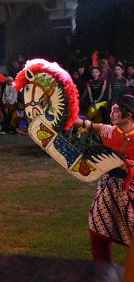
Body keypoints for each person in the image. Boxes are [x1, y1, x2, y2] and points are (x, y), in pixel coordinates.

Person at [72, 95, 134, 262]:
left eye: (116, 111)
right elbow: (90, 126)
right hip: (109, 188)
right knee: (97, 228)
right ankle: (102, 270)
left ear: (128, 115)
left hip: (131, 188)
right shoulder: (109, 131)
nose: (111, 114)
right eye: (111, 110)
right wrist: (68, 118)